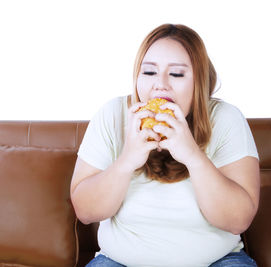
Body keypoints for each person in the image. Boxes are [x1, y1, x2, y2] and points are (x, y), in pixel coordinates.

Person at [70, 23, 260, 267]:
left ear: (199, 83)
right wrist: (127, 160)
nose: (160, 84)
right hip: (119, 261)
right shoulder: (112, 115)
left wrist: (192, 155)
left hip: (218, 261)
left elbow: (238, 220)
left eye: (177, 74)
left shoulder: (226, 119)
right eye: (149, 72)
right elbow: (85, 212)